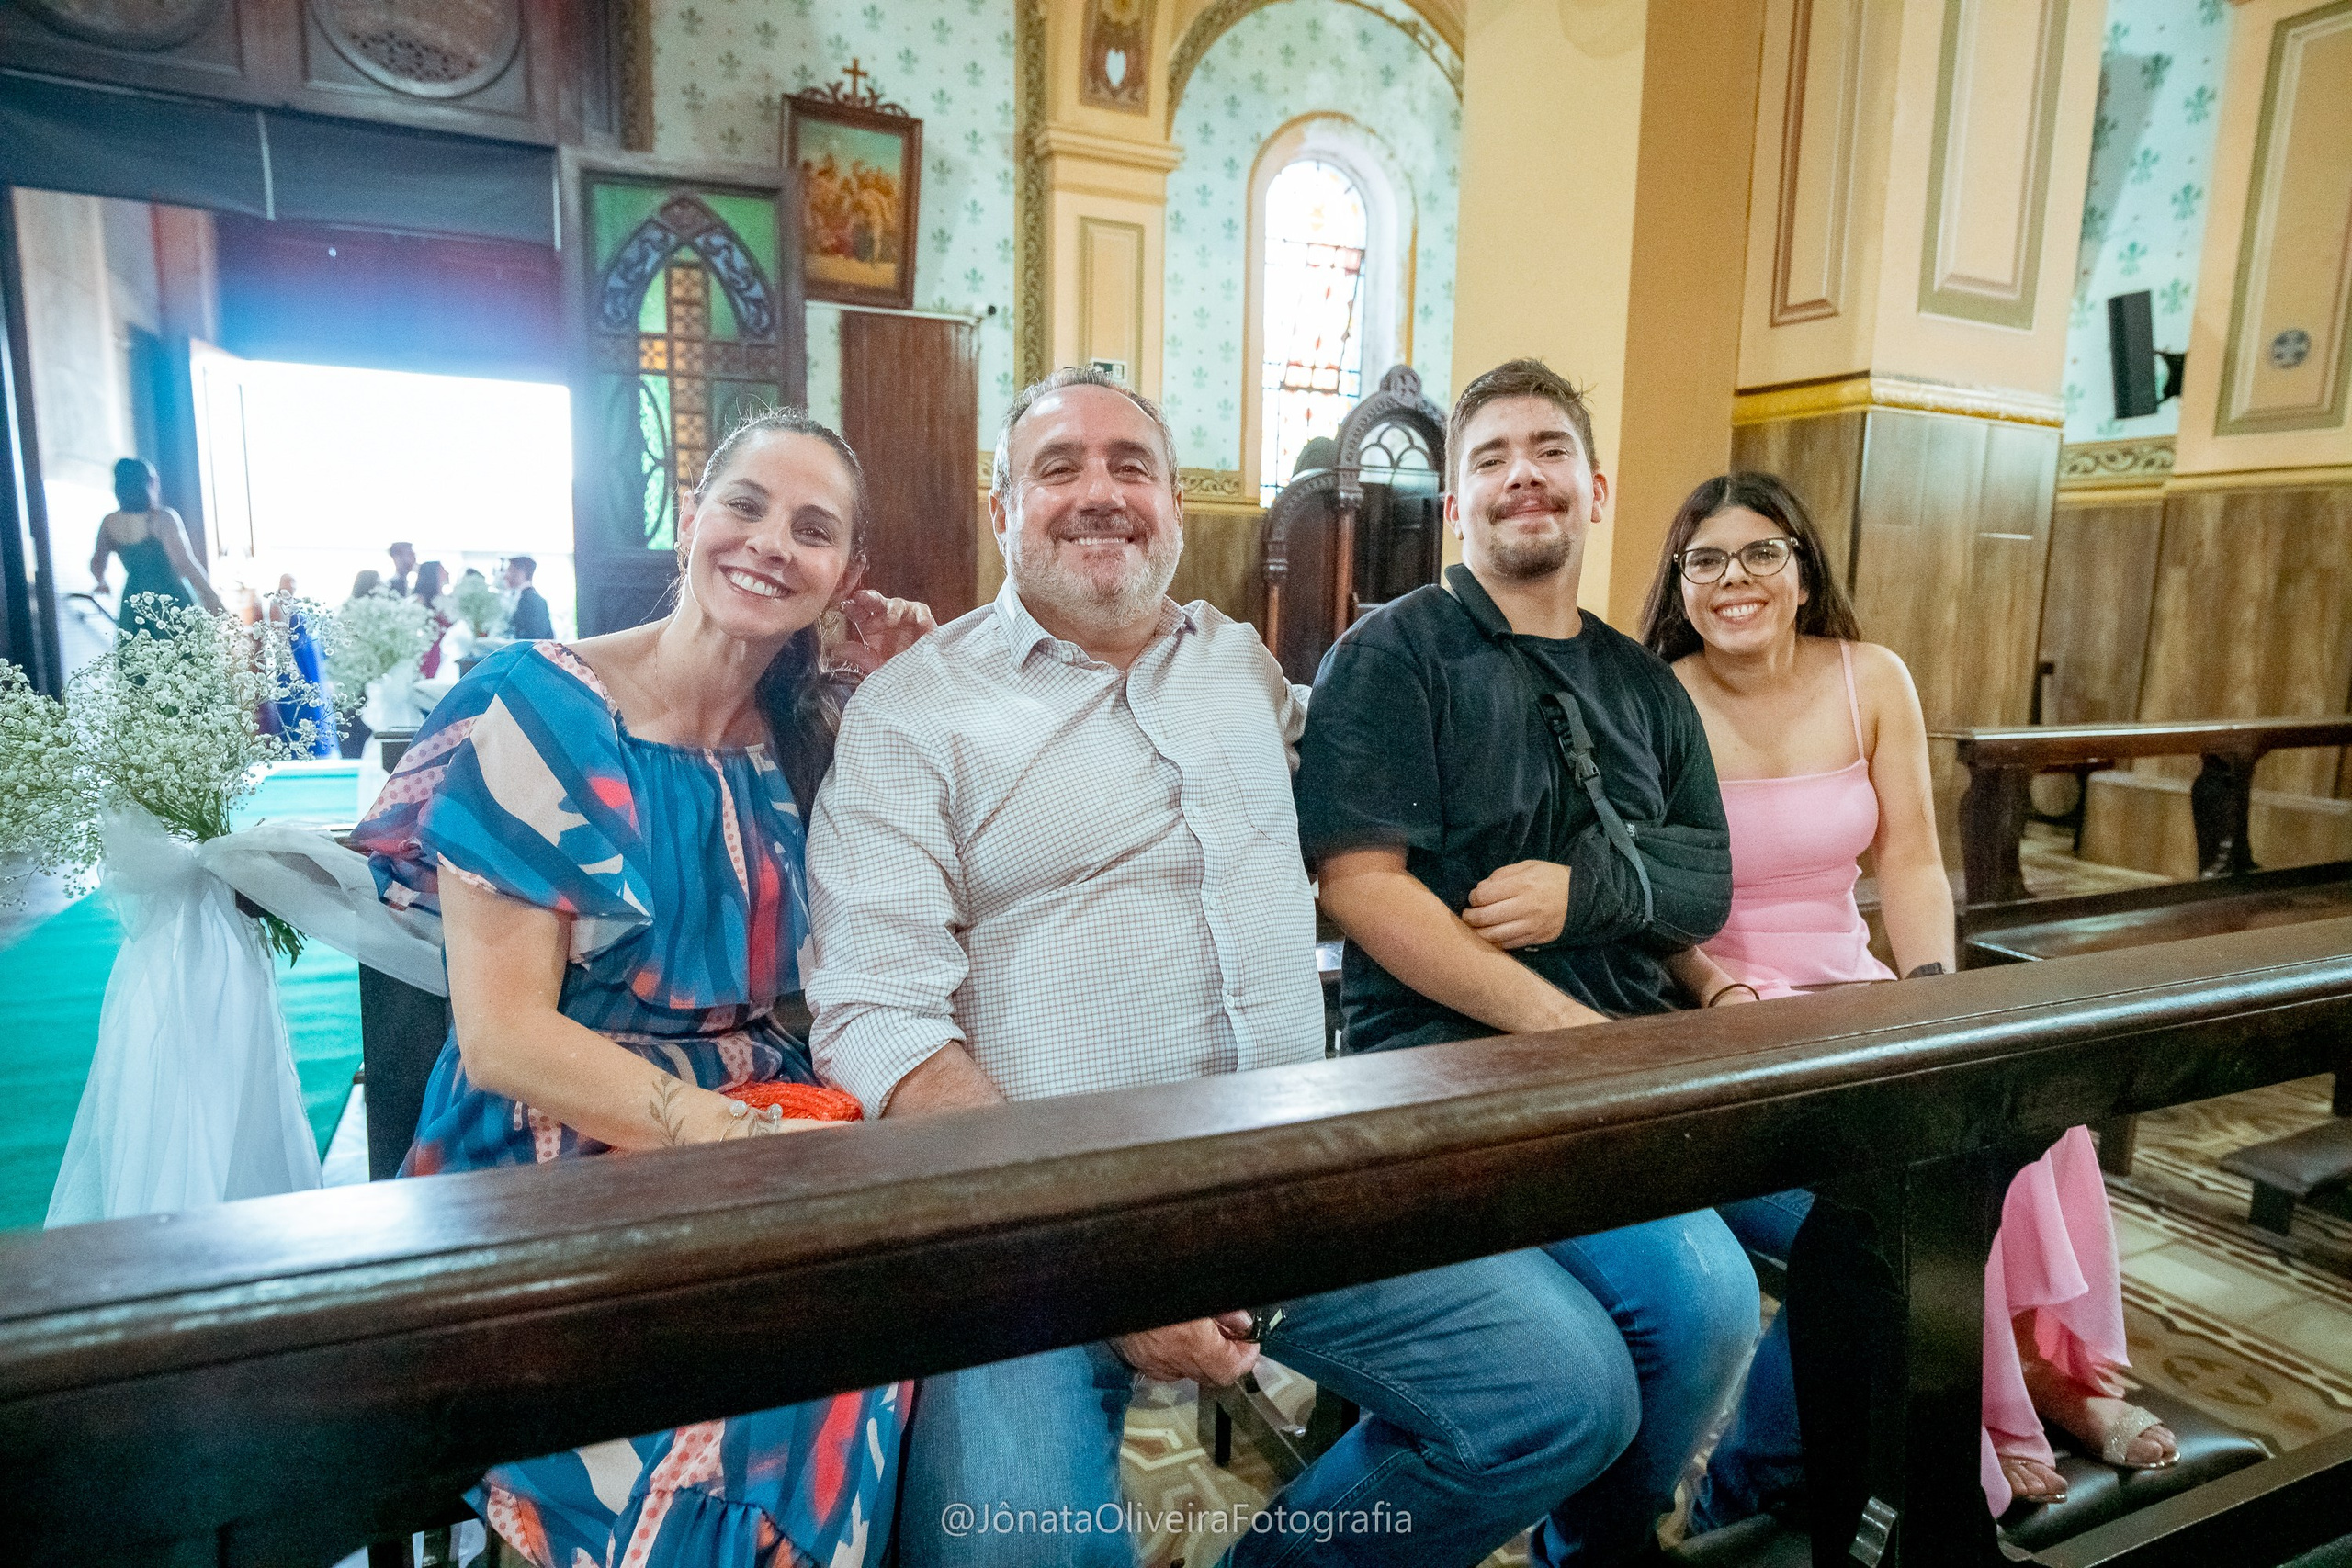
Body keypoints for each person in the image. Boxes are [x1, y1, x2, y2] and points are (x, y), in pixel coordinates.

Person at [811, 367, 1668, 1568]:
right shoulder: (914, 715)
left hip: (1285, 1174)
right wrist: (1104, 1259)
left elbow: (1419, 796)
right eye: (1059, 468)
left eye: (1133, 467)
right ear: (1000, 508)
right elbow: (879, 1025)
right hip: (1031, 1212)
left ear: (1176, 505)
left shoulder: (1245, 671)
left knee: (1565, 1391)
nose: (1100, 493)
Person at [351, 408, 936, 1568]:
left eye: (814, 531)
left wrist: (920, 674)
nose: (772, 543)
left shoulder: (815, 728)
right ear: (694, 519)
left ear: (847, 573)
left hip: (761, 1113)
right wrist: (737, 1137)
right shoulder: (548, 704)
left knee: (862, 1322)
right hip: (554, 1130)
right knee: (731, 1376)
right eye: (747, 506)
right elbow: (508, 1035)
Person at [1632, 473, 2177, 1529]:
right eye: (1706, 560)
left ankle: (2034, 1376)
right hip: (1722, 1014)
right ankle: (1781, 1479)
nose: (1733, 579)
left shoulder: (1869, 677)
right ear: (1680, 582)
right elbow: (1643, 901)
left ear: (1801, 568)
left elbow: (1916, 863)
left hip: (1854, 996)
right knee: (1874, 1211)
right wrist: (1717, 986)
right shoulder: (1659, 699)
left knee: (2019, 1129)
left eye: (1760, 553)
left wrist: (1931, 1001)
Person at [1290, 358, 1757, 1565]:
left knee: (1876, 1199)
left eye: (1547, 449)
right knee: (1700, 1292)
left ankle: (1778, 1489)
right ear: (1457, 503)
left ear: (1595, 486)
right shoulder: (1395, 655)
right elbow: (1360, 886)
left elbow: (1705, 882)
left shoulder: (1647, 684)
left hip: (1638, 1051)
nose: (1521, 477)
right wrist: (1565, 1032)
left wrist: (1622, 920)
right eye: (1489, 458)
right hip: (1453, 1064)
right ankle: (1604, 1541)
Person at [90, 457, 223, 637]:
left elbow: (97, 561)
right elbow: (185, 563)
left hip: (134, 602)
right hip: (169, 600)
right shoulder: (163, 518)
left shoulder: (109, 522)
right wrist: (212, 598)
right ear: (148, 483)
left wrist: (101, 582)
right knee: (183, 657)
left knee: (139, 660)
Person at [506, 555, 555, 640]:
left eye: (510, 570)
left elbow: (536, 636)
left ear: (520, 572)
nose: (505, 576)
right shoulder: (522, 597)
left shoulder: (532, 600)